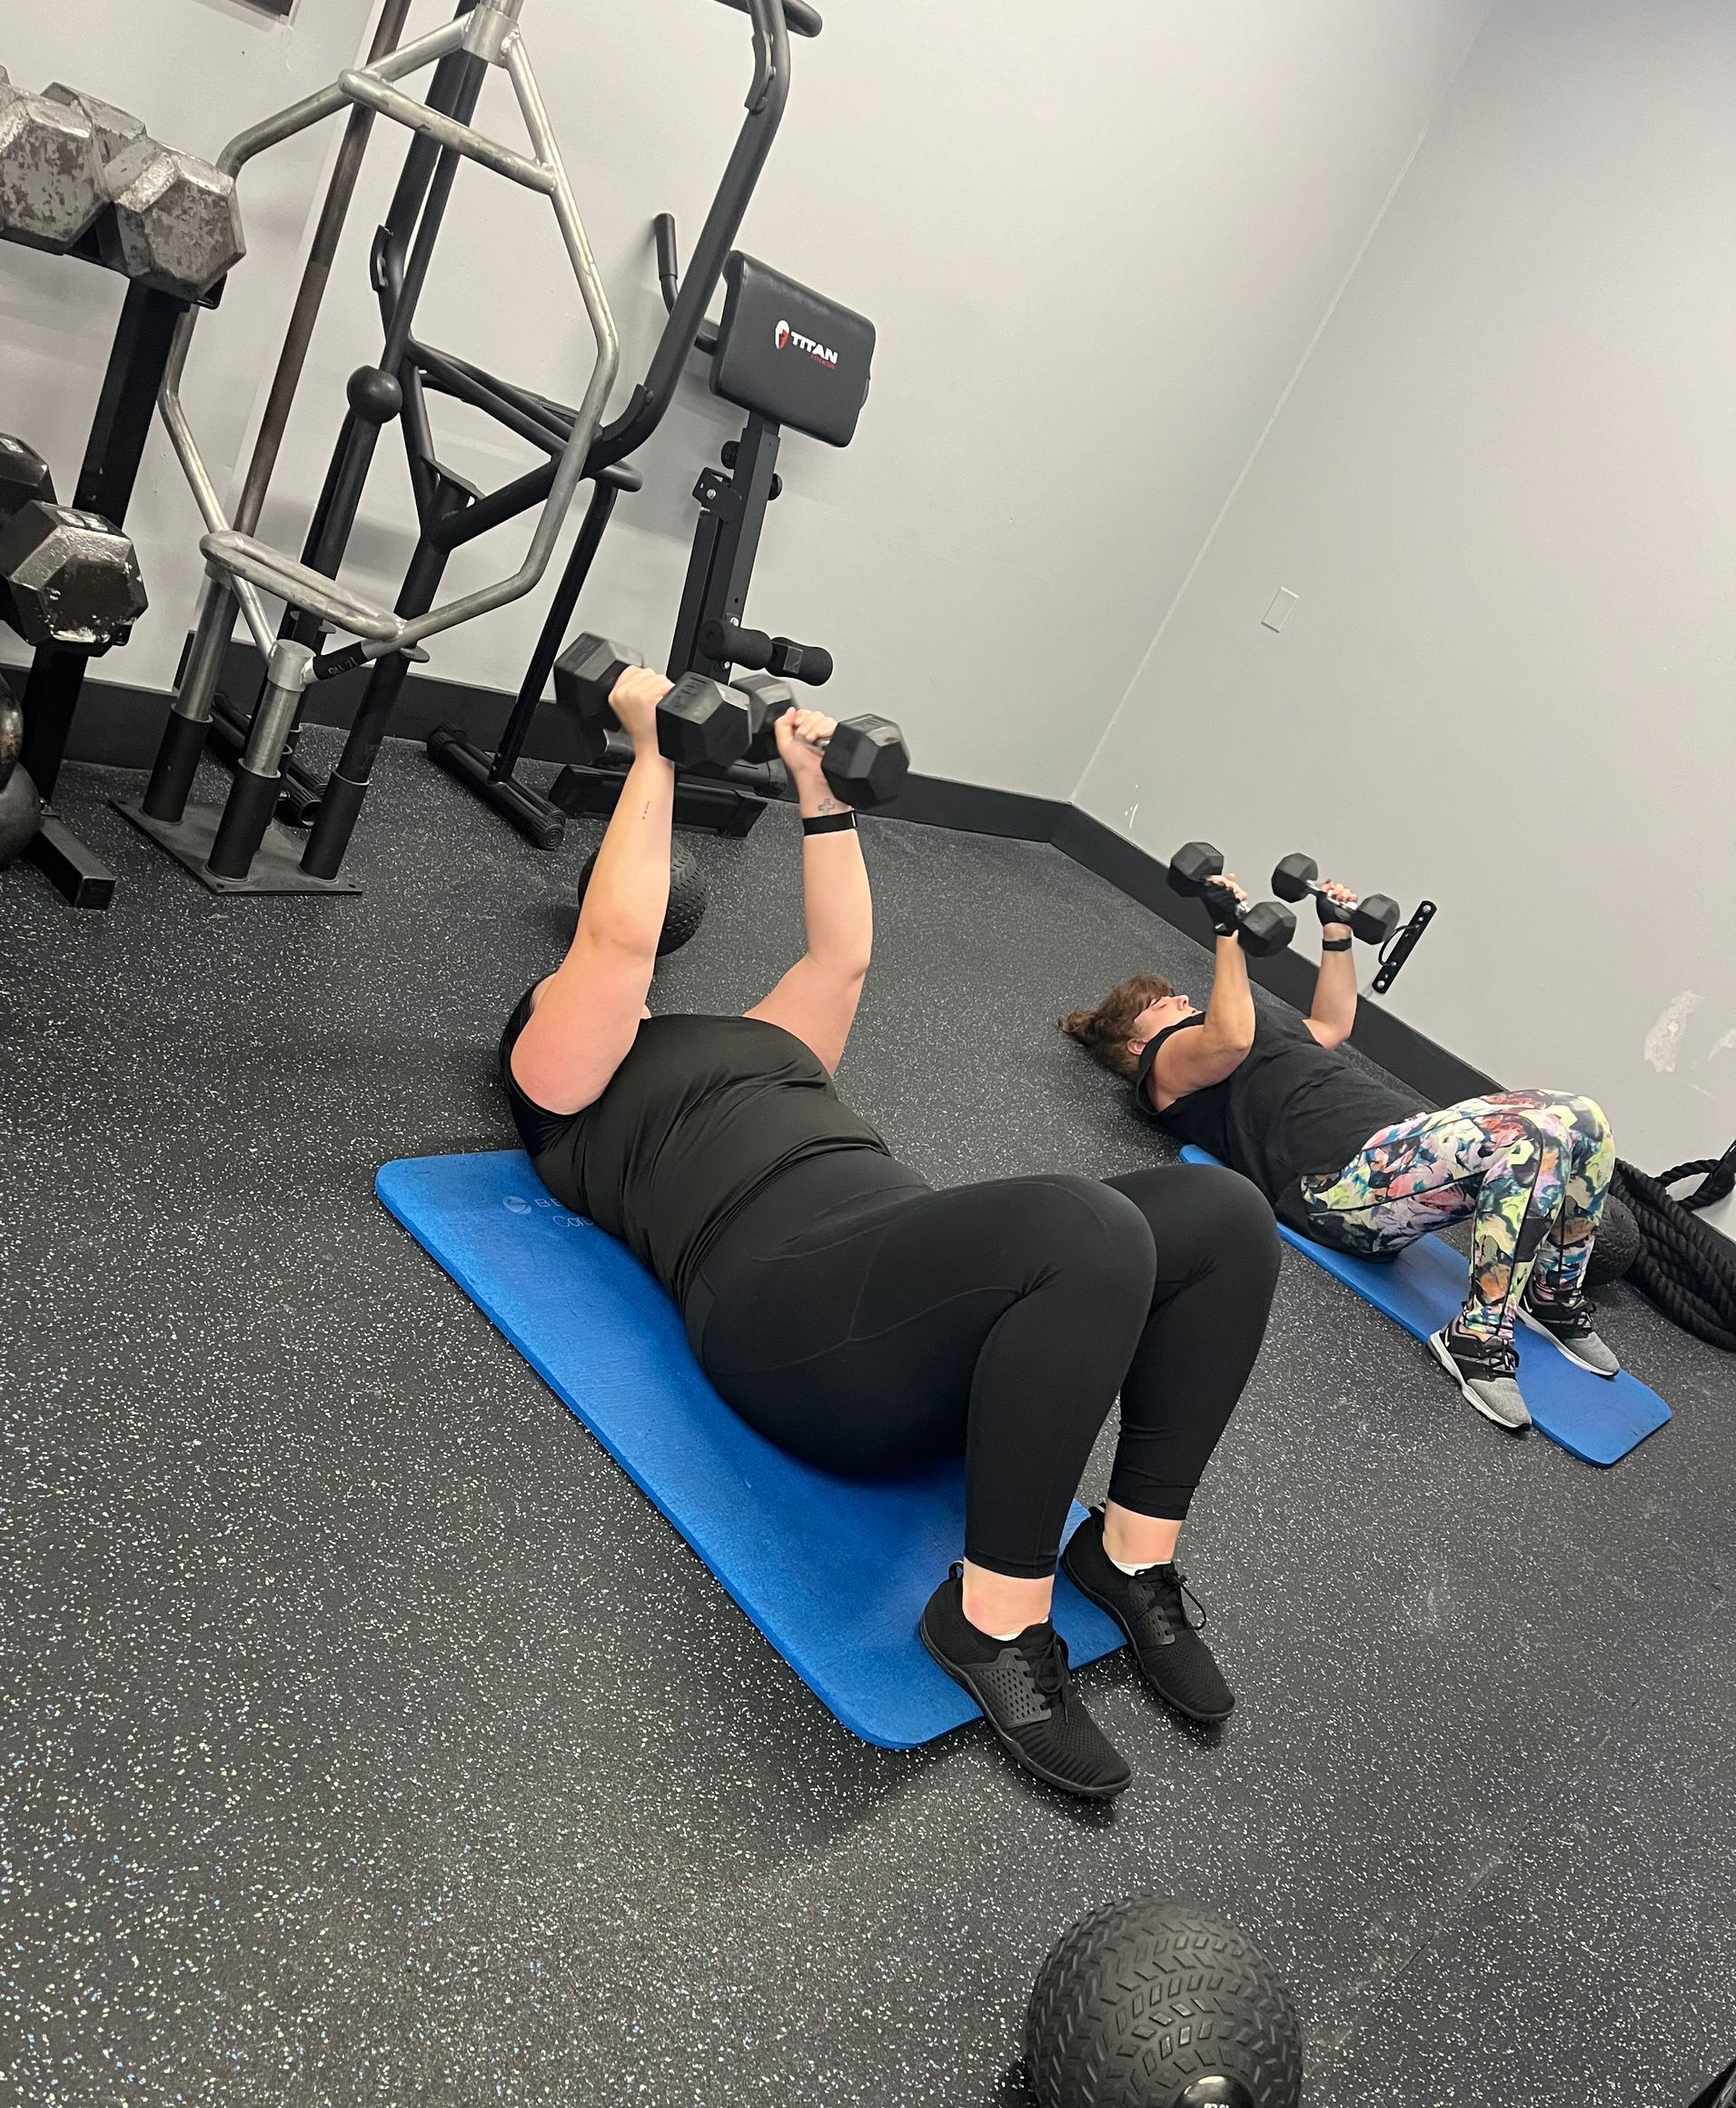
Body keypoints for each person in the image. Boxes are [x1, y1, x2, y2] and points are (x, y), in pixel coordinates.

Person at [501, 667, 1280, 1800]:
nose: (598, 987)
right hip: (785, 1319)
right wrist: (652, 747)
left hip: (910, 1302)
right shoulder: (565, 1087)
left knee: (1227, 1215)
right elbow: (619, 941)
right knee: (1088, 1227)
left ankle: (1126, 1554)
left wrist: (821, 792)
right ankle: (993, 1617)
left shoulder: (762, 1038)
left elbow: (840, 958)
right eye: (570, 985)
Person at [1061, 865, 1619, 1435]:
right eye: (1160, 1003)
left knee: (1583, 1119)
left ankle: (1549, 1293)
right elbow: (1230, 1039)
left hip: (1404, 1149)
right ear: (1137, 1039)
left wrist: (1336, 932)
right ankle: (1476, 1336)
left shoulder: (1260, 1027)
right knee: (1524, 1142)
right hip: (1338, 1186)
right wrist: (1227, 932)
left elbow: (1332, 1021)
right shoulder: (1166, 1065)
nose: (1178, 996)